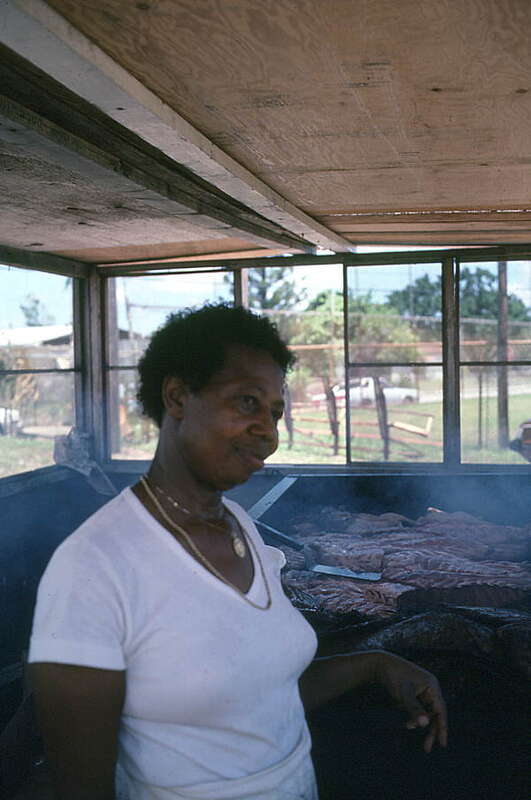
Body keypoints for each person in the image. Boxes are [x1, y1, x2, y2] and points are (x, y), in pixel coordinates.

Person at [29, 304, 447, 800]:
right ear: (178, 396)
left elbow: (260, 694)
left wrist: (374, 664)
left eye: (275, 412)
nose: (269, 431)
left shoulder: (242, 528)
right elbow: (80, 785)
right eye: (247, 402)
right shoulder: (94, 567)